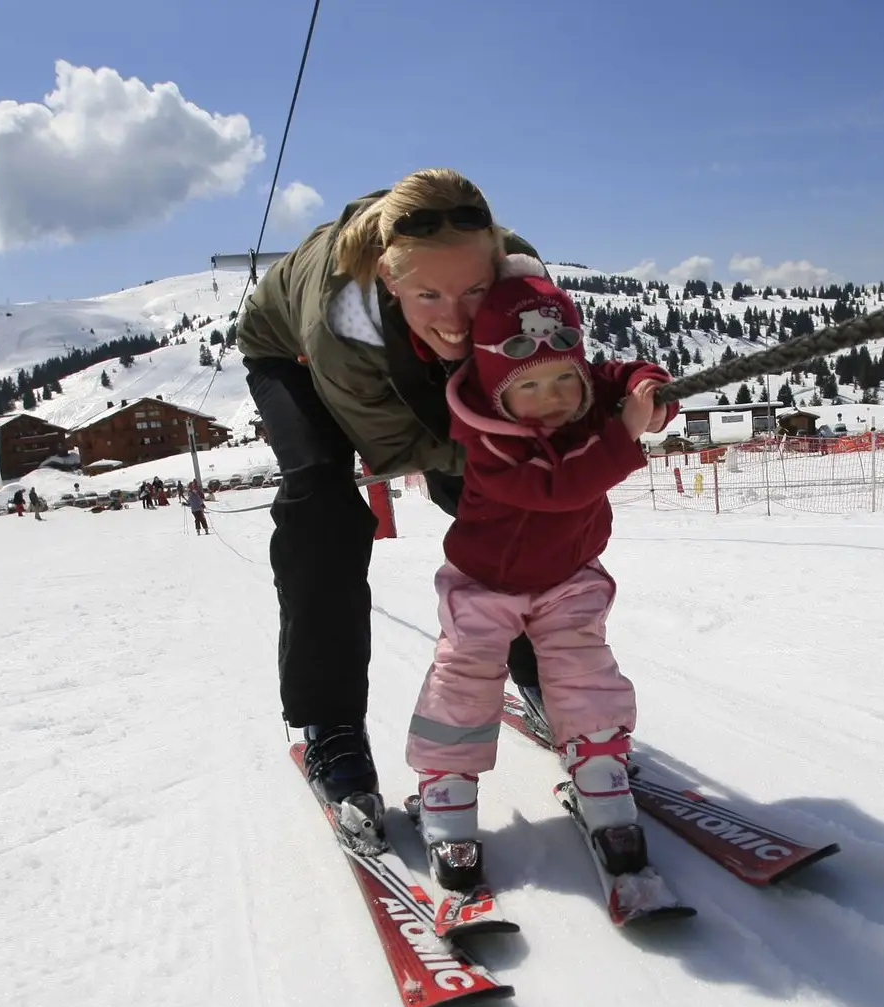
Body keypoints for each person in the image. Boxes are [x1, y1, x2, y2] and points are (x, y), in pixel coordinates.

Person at [235, 169, 669, 818]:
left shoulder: (521, 278)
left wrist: (632, 395)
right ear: (389, 278)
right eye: (431, 294)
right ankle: (330, 727)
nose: (461, 317)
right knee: (322, 510)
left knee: (497, 505)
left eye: (475, 290)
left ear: (497, 266)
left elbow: (554, 374)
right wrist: (554, 468)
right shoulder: (343, 319)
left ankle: (540, 673)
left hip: (405, 351)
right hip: (294, 357)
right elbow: (412, 451)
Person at [404, 274, 672, 850]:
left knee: (584, 667)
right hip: (483, 582)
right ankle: (446, 784)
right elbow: (559, 488)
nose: (553, 399)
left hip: (569, 576)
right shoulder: (487, 436)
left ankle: (600, 768)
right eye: (531, 387)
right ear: (497, 386)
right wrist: (623, 437)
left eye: (563, 380)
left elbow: (621, 375)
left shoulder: (582, 388)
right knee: (465, 674)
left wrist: (651, 393)